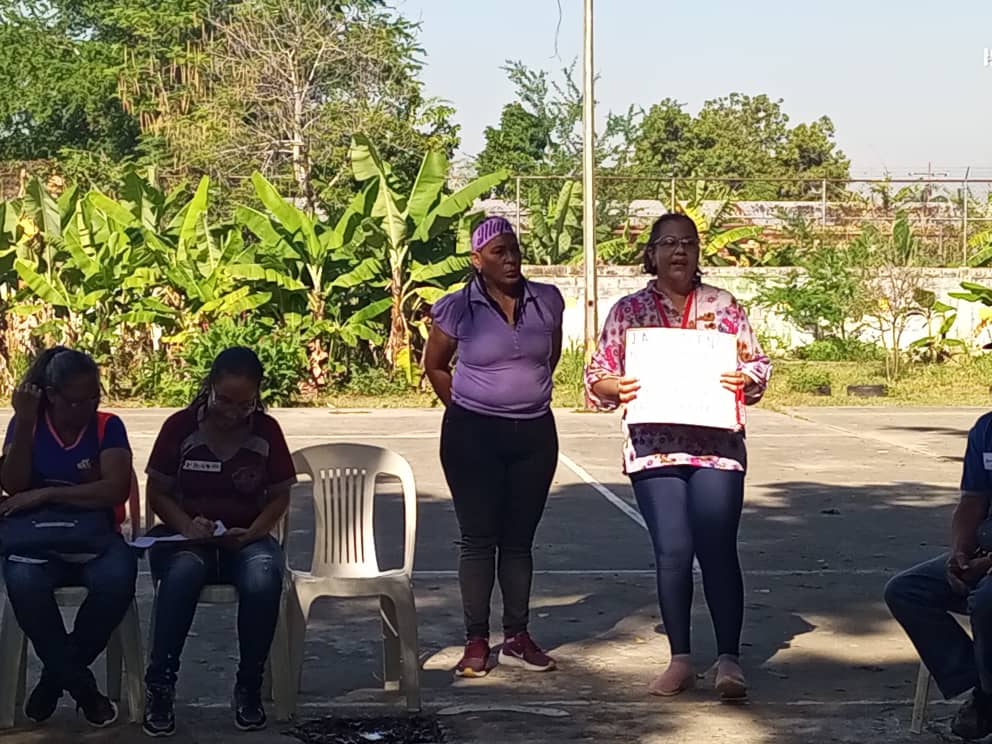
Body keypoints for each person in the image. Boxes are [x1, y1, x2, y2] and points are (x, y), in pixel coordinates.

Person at [585, 213, 771, 701]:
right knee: (672, 551)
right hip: (655, 448)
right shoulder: (629, 311)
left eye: (687, 242)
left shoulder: (724, 307)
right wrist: (615, 385)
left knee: (717, 548)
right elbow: (597, 375)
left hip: (717, 450)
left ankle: (729, 659)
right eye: (668, 243)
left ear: (697, 251)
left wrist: (745, 378)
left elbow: (756, 363)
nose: (679, 251)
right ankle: (681, 659)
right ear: (651, 253)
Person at [424, 215, 565, 678]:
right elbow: (437, 365)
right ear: (477, 259)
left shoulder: (547, 300)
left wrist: (523, 393)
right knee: (479, 540)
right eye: (499, 252)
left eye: (515, 250)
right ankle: (476, 639)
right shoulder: (456, 307)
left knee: (519, 542)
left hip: (534, 436)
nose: (511, 259)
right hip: (473, 438)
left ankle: (518, 637)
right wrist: (466, 408)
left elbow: (551, 356)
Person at [141, 347, 296, 737]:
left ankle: (249, 686)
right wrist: (187, 524)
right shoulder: (180, 427)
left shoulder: (267, 432)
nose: (232, 412)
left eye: (244, 405)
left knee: (264, 576)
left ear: (257, 397)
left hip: (246, 537)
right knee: (182, 574)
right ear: (209, 388)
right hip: (185, 537)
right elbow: (157, 493)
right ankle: (160, 685)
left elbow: (280, 495)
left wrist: (257, 531)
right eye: (224, 400)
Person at [0, 347, 137, 727]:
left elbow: (114, 490)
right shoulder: (27, 424)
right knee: (24, 583)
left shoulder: (107, 427)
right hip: (35, 539)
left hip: (94, 537)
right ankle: (83, 689)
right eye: (75, 401)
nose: (86, 407)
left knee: (118, 579)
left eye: (93, 397)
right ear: (51, 395)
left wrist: (47, 493)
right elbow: (12, 483)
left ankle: (55, 678)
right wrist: (25, 422)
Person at [885, 413, 992, 740]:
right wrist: (960, 552)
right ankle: (981, 686)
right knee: (907, 591)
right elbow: (972, 501)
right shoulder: (986, 430)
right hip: (986, 552)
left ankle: (988, 698)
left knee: (987, 600)